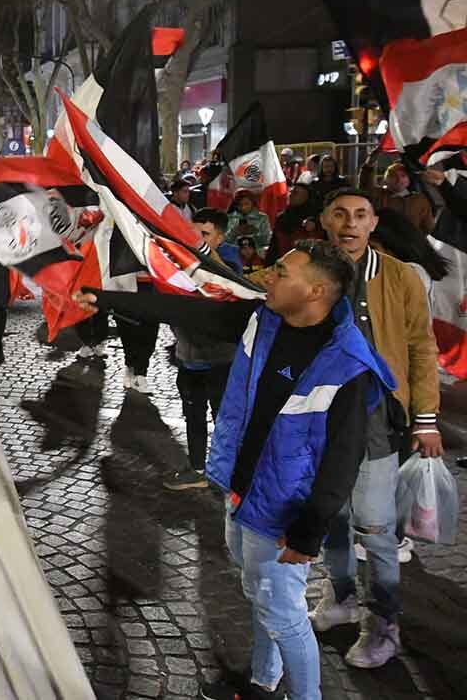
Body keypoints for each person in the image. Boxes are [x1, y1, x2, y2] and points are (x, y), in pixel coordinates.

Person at [81, 241, 396, 700]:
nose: (269, 276)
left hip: (282, 511)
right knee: (262, 599)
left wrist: (308, 533)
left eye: (283, 272)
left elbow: (342, 460)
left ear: (316, 290)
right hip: (242, 492)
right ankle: (263, 682)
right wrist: (104, 298)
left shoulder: (347, 363)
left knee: (285, 615)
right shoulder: (262, 318)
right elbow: (184, 310)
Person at [307, 188, 442, 668]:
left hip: (375, 422)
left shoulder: (400, 276)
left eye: (360, 215)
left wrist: (425, 419)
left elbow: (421, 347)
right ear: (324, 220)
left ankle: (383, 624)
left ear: (372, 224)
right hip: (316, 419)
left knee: (377, 527)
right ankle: (341, 597)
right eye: (340, 213)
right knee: (331, 518)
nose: (350, 223)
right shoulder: (304, 268)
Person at [162, 208, 240, 490]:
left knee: (224, 418)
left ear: (220, 238)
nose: (195, 241)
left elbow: (228, 286)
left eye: (204, 236)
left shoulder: (229, 263)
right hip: (189, 358)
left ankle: (227, 473)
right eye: (192, 235)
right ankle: (197, 468)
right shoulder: (177, 265)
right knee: (193, 416)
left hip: (221, 361)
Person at [363, 160, 435, 235]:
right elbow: (365, 185)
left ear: (408, 179)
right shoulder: (378, 195)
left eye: (403, 176)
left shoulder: (420, 200)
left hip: (409, 243)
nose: (399, 179)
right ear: (386, 179)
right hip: (382, 242)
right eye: (393, 176)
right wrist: (369, 164)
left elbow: (428, 227)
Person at [269, 185, 319, 261]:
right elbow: (274, 246)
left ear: (306, 197)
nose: (291, 195)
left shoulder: (315, 220)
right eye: (291, 192)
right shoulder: (282, 217)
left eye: (295, 193)